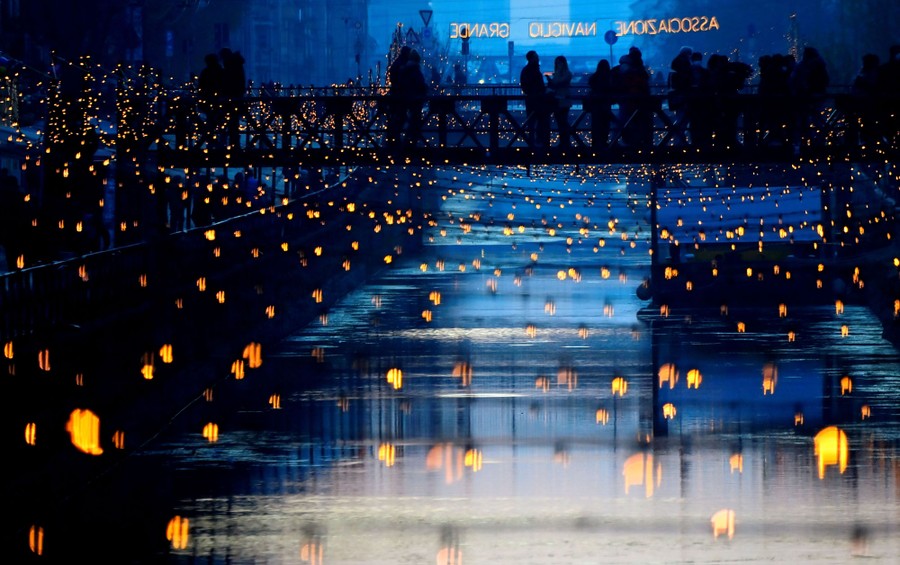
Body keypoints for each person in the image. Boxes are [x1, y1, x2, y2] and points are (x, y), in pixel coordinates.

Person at [397, 49, 429, 146]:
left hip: (406, 98)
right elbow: (419, 84)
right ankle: (411, 141)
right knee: (415, 120)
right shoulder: (415, 71)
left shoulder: (404, 70)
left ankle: (404, 140)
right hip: (415, 99)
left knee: (407, 120)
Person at [519, 50, 549, 147]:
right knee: (540, 120)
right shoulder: (534, 70)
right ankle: (539, 140)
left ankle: (532, 142)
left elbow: (525, 85)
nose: (538, 58)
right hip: (538, 99)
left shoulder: (526, 70)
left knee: (532, 121)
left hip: (531, 99)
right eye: (536, 56)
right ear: (532, 58)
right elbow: (537, 85)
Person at [220, 48, 247, 147]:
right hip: (236, 95)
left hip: (231, 96)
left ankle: (226, 141)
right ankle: (234, 142)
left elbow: (229, 81)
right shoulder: (237, 64)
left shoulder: (231, 65)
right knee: (233, 121)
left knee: (227, 120)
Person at [198, 52, 226, 146]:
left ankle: (211, 143)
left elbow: (201, 86)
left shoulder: (206, 72)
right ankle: (221, 144)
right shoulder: (221, 71)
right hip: (220, 101)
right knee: (220, 123)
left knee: (211, 123)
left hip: (209, 101)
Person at [386, 46, 411, 147]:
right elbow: (400, 81)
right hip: (399, 96)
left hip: (397, 95)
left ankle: (394, 140)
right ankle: (395, 140)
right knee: (400, 118)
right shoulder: (401, 65)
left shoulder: (398, 63)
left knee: (398, 118)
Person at [546, 55, 574, 147]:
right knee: (560, 122)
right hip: (558, 100)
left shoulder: (567, 74)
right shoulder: (560, 73)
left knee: (563, 121)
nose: (558, 65)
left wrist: (551, 80)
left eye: (560, 63)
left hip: (563, 100)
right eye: (557, 63)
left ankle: (565, 141)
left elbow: (559, 82)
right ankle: (564, 141)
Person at [587, 59, 612, 149]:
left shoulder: (594, 77)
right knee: (605, 125)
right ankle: (604, 143)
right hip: (605, 104)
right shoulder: (608, 77)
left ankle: (595, 143)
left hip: (595, 104)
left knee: (596, 124)